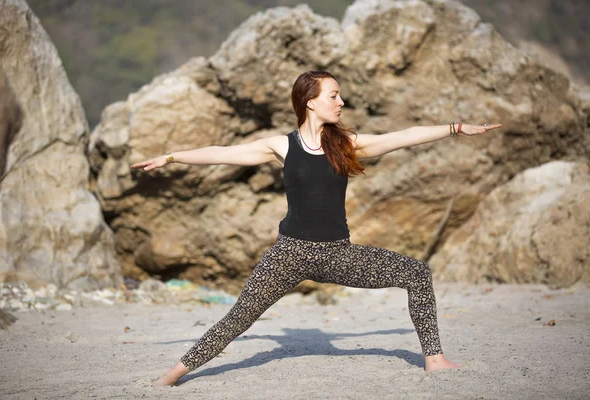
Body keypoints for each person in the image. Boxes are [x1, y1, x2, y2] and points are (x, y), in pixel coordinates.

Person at [131, 71, 502, 387]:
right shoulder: (281, 146)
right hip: (288, 255)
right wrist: (172, 157)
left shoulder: (346, 144)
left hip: (338, 254)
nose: (341, 102)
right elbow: (222, 151)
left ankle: (434, 359)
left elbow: (402, 136)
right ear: (311, 101)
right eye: (334, 95)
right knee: (238, 319)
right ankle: (172, 375)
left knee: (417, 273)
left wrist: (454, 128)